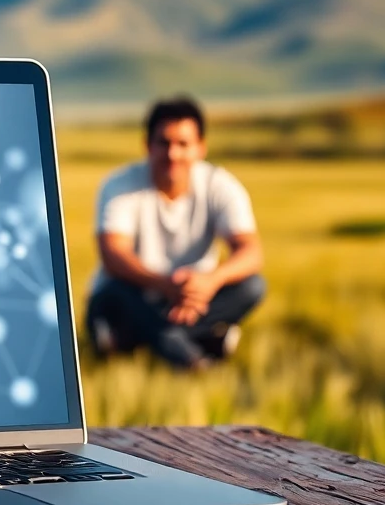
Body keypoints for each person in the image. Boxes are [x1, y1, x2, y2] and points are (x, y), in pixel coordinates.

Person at [85, 96, 265, 370]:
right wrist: (164, 285)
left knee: (253, 286)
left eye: (183, 144)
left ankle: (134, 341)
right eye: (164, 143)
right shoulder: (120, 185)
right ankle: (199, 345)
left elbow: (251, 252)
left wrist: (211, 280)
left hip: (193, 296)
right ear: (147, 145)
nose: (173, 154)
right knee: (115, 292)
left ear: (201, 148)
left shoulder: (220, 185)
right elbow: (113, 255)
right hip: (136, 293)